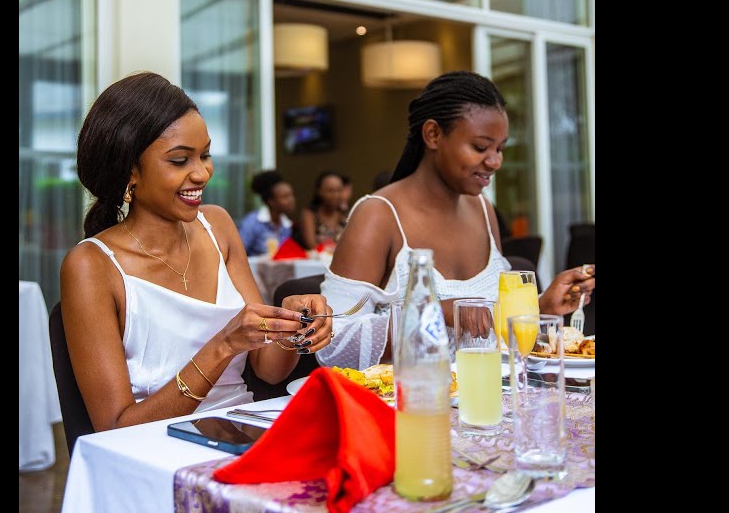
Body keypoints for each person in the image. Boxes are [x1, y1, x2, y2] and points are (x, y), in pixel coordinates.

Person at [60, 72, 335, 431]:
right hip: (154, 449)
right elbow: (115, 428)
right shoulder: (91, 266)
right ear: (130, 172)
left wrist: (291, 326)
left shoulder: (217, 225)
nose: (202, 173)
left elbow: (268, 368)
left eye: (205, 155)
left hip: (242, 434)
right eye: (179, 160)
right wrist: (222, 346)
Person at [314, 71, 595, 370]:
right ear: (433, 134)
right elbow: (331, 341)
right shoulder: (378, 215)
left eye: (499, 149)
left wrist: (539, 308)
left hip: (485, 399)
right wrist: (432, 315)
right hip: (408, 407)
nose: (495, 161)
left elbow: (488, 328)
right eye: (480, 147)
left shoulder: (483, 210)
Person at [237, 170, 296, 257]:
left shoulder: (287, 225)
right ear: (271, 201)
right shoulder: (252, 223)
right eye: (285, 197)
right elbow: (238, 254)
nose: (291, 200)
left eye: (291, 195)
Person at [297, 170, 348, 252]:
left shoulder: (346, 216)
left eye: (339, 190)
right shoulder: (310, 214)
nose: (335, 195)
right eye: (330, 191)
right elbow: (311, 245)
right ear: (319, 191)